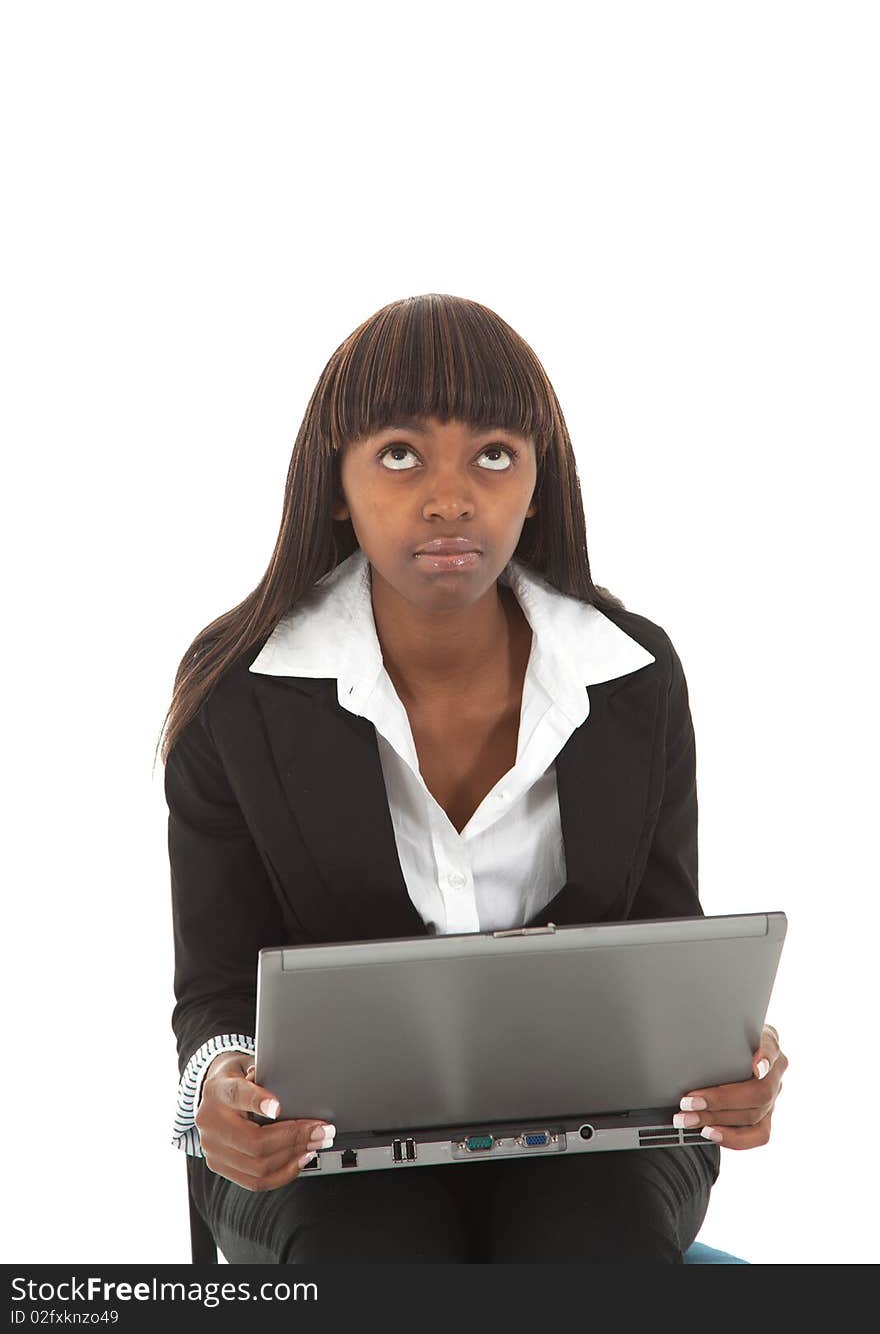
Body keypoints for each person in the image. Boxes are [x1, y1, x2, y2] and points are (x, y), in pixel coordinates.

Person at [158, 292, 788, 1264]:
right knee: (379, 1254)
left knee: (592, 1243)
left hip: (596, 1131)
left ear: (536, 482)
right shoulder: (238, 700)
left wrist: (725, 1060)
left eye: (492, 453)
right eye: (401, 453)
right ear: (337, 484)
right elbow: (211, 990)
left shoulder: (630, 678)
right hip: (325, 1150)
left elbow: (663, 941)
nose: (449, 496)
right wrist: (217, 1087)